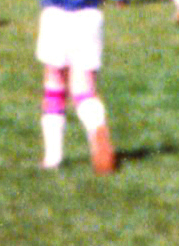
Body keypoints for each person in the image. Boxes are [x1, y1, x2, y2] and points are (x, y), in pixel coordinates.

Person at [33, 0, 118, 171]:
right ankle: (96, 124)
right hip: (89, 15)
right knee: (84, 89)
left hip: (55, 15)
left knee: (54, 85)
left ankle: (52, 158)